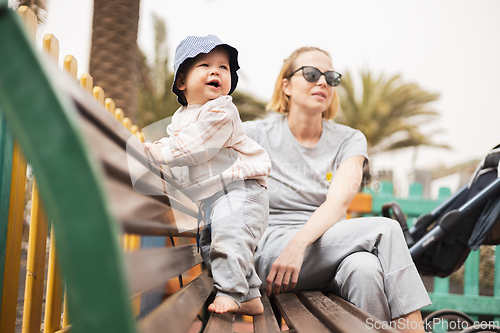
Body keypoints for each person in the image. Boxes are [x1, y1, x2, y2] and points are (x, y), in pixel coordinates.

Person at [242, 46, 431, 333]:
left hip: (320, 249)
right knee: (388, 230)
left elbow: (337, 203)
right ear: (286, 86)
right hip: (273, 255)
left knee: (366, 269)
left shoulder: (350, 139)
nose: (322, 82)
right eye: (310, 74)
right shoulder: (256, 134)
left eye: (330, 77)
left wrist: (299, 244)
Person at [144, 35, 271, 315]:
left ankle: (230, 293)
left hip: (241, 190)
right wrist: (154, 150)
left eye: (223, 67)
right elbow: (176, 147)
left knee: (229, 236)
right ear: (181, 81)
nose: (216, 71)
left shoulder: (221, 109)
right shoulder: (180, 118)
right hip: (214, 198)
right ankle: (249, 295)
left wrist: (160, 153)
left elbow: (198, 146)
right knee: (209, 245)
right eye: (204, 64)